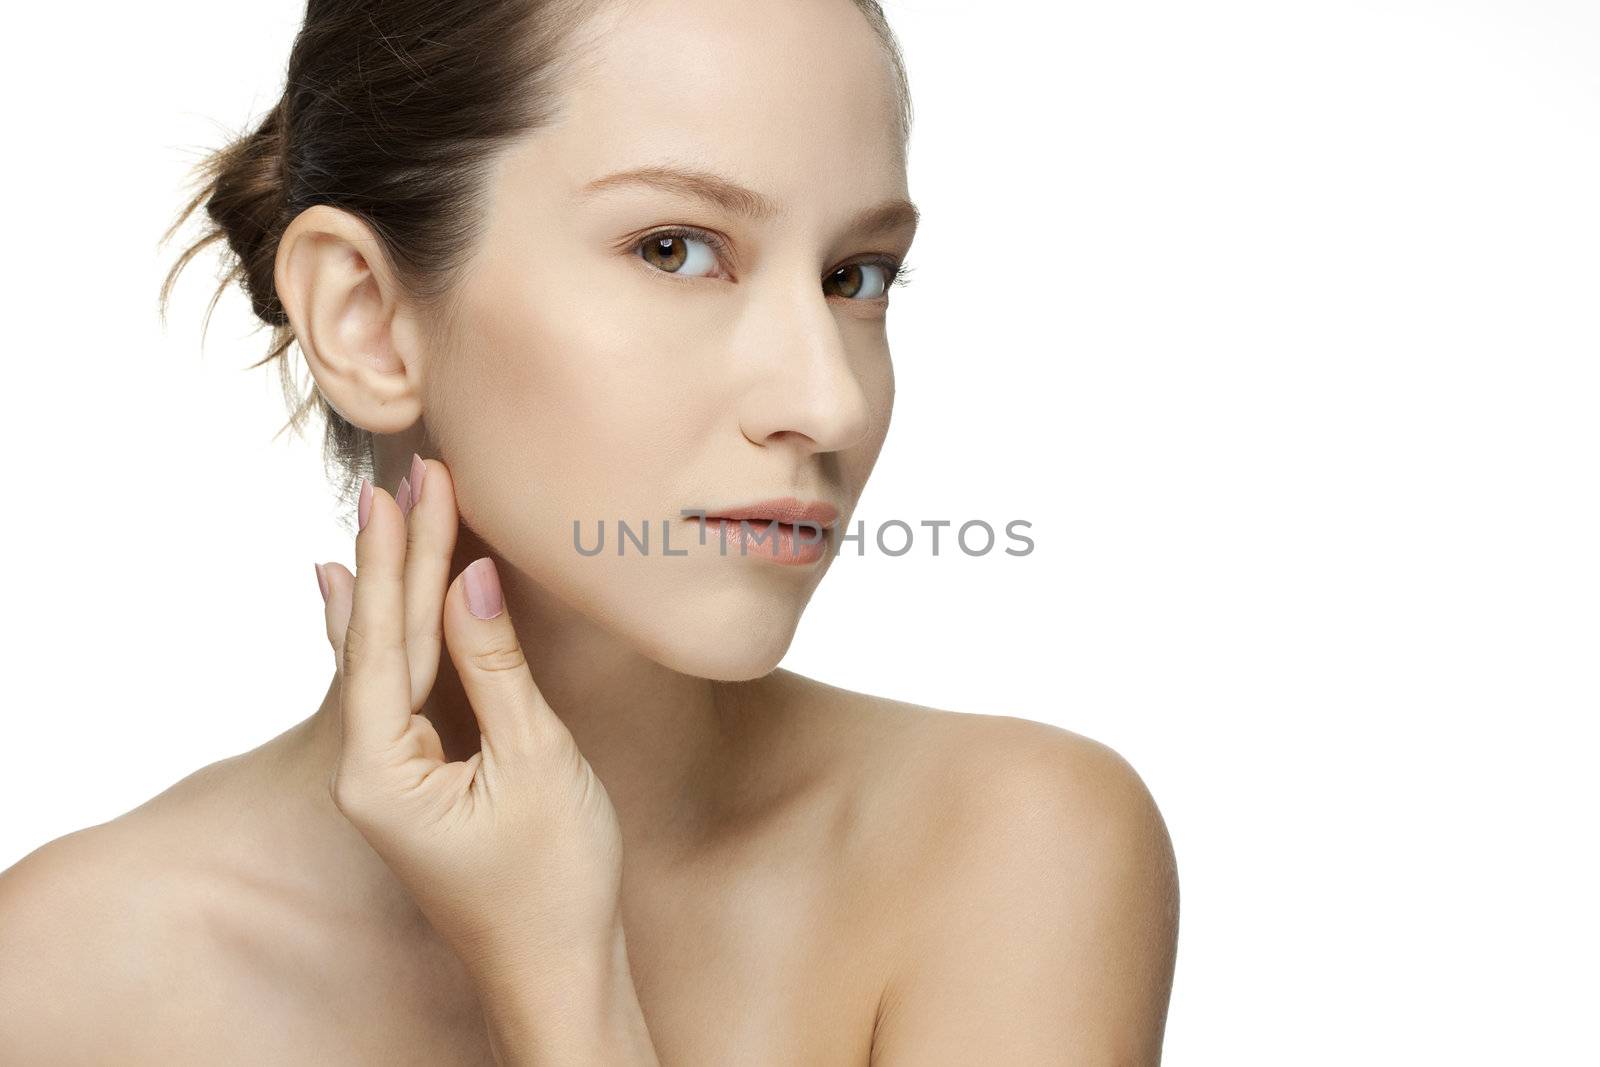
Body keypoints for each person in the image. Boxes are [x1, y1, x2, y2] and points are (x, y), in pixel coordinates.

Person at [0, 0, 1180, 1062]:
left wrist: (564, 983)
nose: (828, 401)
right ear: (364, 318)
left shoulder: (1012, 848)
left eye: (856, 275)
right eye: (674, 248)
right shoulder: (64, 976)